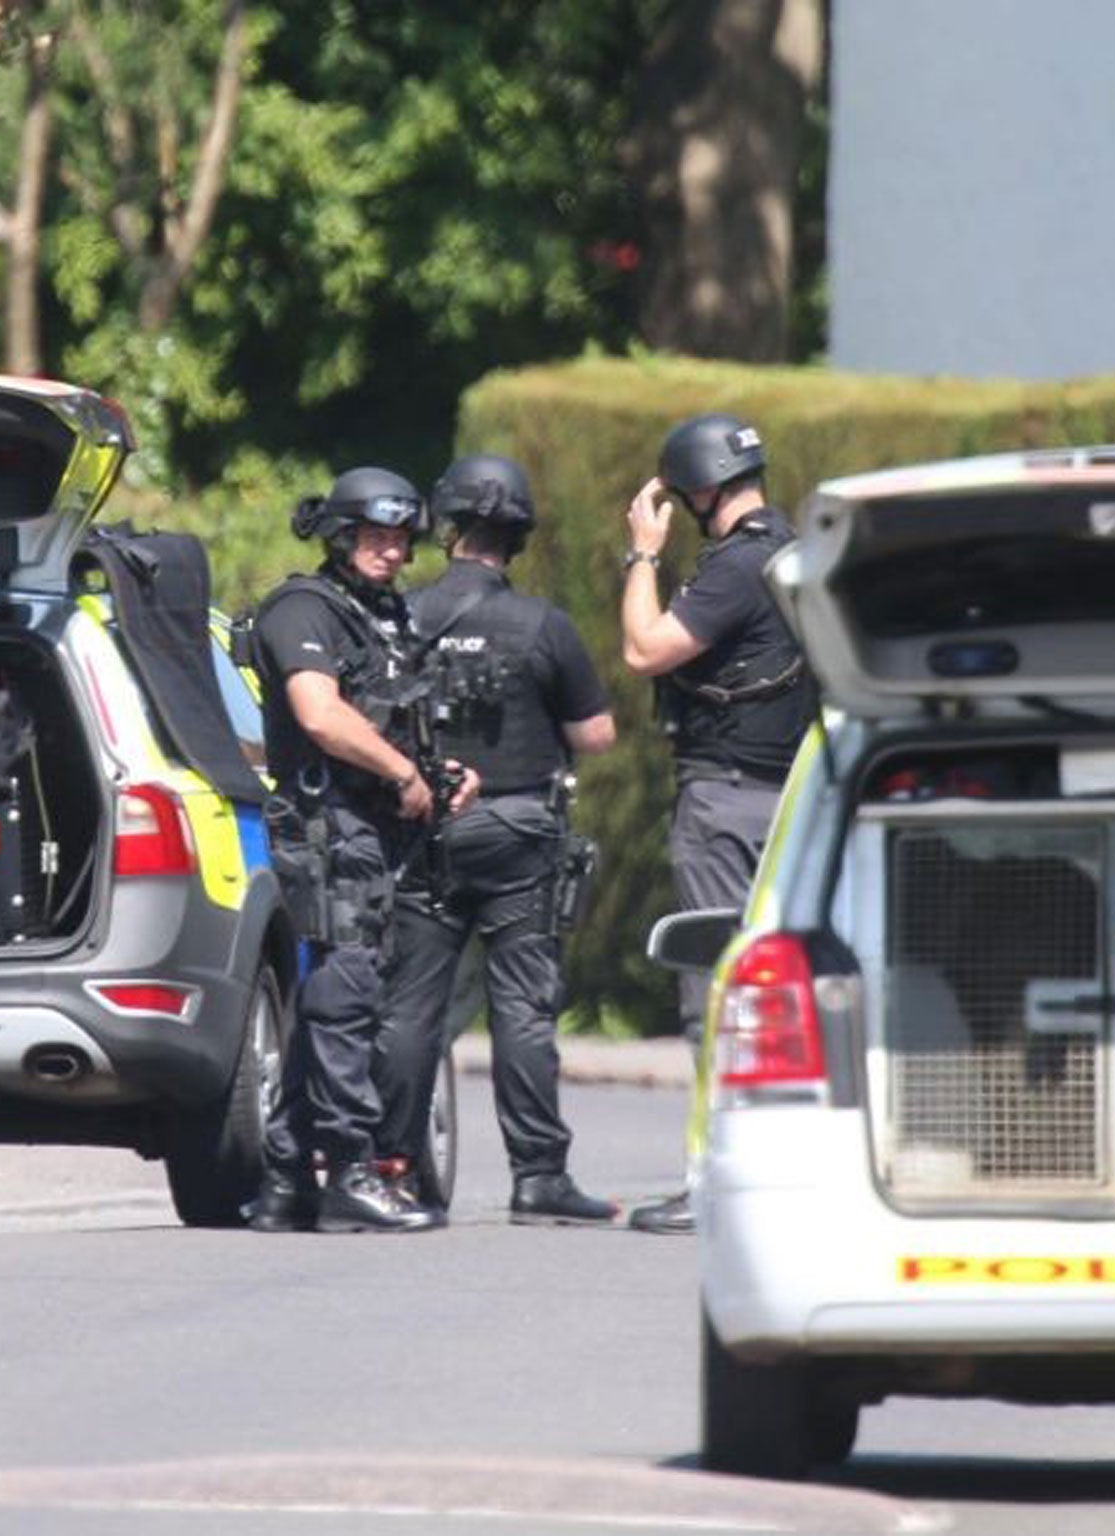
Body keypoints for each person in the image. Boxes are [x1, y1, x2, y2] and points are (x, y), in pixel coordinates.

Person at [374, 454, 620, 1225]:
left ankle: (397, 1168)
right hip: (520, 833)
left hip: (426, 834)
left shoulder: (403, 618)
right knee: (522, 1007)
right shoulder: (543, 624)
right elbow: (598, 734)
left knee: (412, 1007)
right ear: (517, 537)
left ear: (447, 529)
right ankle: (539, 1177)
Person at [244, 467, 477, 1234]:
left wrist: (437, 774)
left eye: (402, 539)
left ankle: (286, 1176)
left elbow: (391, 721)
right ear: (341, 537)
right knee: (344, 999)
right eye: (377, 537)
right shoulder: (303, 610)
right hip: (330, 828)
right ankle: (349, 1172)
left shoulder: (383, 618)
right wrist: (401, 771)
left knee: (346, 996)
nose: (393, 552)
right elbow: (319, 714)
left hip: (376, 828)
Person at [618, 413, 818, 1235]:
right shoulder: (802, 555)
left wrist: (642, 554)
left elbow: (643, 649)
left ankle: (712, 1182)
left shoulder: (738, 566)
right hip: (794, 796)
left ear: (700, 489)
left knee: (715, 991)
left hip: (725, 798)